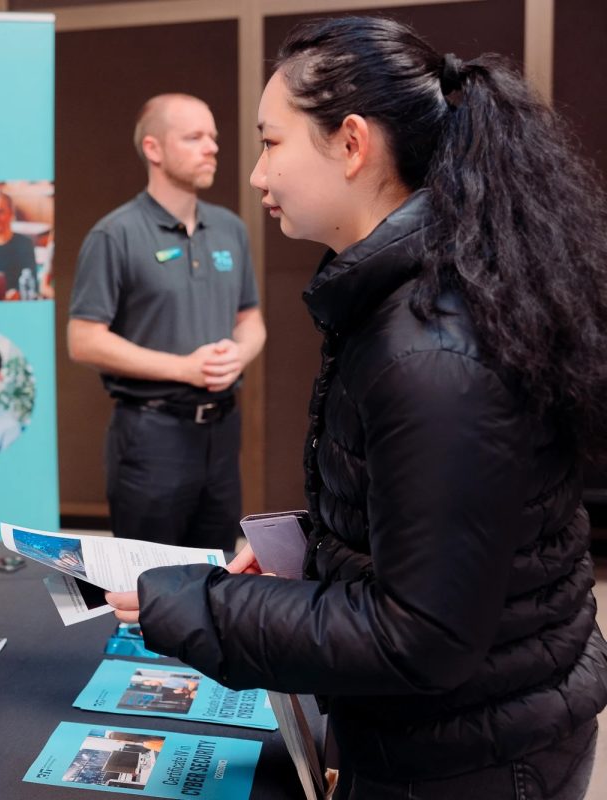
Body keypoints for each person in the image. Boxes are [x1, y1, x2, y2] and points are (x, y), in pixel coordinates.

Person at [107, 16, 607, 799]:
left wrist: (204, 606)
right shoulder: (417, 297)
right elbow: (440, 529)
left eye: (271, 143)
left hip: (472, 759)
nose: (254, 174)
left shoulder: (431, 349)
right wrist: (314, 550)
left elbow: (424, 636)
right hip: (474, 729)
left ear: (350, 143)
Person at [68, 93, 266, 551]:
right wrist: (184, 368)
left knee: (215, 574)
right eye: (195, 137)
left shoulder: (230, 228)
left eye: (213, 137)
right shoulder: (114, 234)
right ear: (154, 149)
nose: (212, 147)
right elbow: (83, 340)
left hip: (221, 434)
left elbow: (252, 319)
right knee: (149, 584)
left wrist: (238, 354)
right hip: (151, 437)